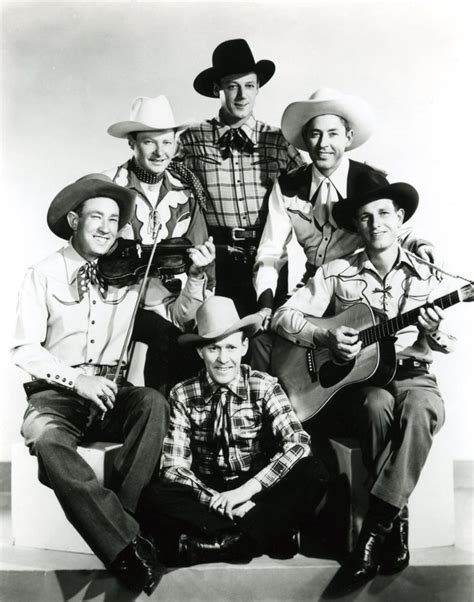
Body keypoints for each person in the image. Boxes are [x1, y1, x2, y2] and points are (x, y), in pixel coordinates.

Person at [11, 174, 215, 595]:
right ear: (73, 219)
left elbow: (178, 318)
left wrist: (195, 278)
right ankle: (128, 547)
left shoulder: (133, 273)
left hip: (111, 392)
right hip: (56, 396)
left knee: (153, 404)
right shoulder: (43, 273)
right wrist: (77, 380)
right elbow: (23, 349)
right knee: (47, 442)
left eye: (114, 219)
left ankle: (121, 523)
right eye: (96, 218)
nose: (107, 228)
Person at [271, 171, 456, 594]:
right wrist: (324, 336)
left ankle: (378, 527)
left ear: (401, 218)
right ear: (356, 226)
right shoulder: (337, 270)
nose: (376, 224)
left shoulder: (425, 273)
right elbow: (285, 316)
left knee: (424, 408)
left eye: (384, 214)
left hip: (411, 373)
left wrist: (433, 333)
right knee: (375, 406)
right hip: (365, 380)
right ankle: (393, 523)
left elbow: (443, 341)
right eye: (366, 218)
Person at [138, 296, 328, 566]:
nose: (223, 359)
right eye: (214, 349)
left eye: (230, 347)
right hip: (210, 489)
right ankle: (267, 532)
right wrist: (222, 502)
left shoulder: (264, 385)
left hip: (256, 486)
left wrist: (246, 492)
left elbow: (298, 442)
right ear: (199, 352)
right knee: (152, 497)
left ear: (244, 347)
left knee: (314, 471)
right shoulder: (182, 393)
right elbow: (173, 467)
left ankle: (225, 544)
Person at [254, 87, 435, 314]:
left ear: (348, 138)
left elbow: (390, 226)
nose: (323, 144)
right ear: (305, 139)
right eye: (315, 134)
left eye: (333, 133)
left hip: (359, 288)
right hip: (314, 286)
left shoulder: (368, 180)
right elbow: (271, 250)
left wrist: (421, 245)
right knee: (280, 338)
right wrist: (265, 305)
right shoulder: (287, 186)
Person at [178, 38, 305, 319]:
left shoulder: (277, 140)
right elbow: (158, 178)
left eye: (249, 85)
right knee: (218, 339)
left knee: (266, 340)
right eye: (232, 86)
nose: (241, 95)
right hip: (216, 259)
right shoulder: (192, 139)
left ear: (258, 87)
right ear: (217, 90)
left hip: (268, 258)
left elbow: (315, 191)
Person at [104, 94, 212, 392]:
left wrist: (199, 272)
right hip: (118, 303)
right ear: (132, 143)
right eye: (149, 142)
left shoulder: (187, 192)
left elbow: (199, 259)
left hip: (173, 304)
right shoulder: (109, 186)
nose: (159, 151)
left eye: (166, 142)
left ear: (176, 143)